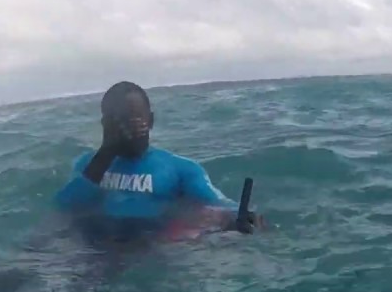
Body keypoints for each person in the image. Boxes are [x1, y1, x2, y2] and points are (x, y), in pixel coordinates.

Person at [53, 81, 264, 243]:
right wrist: (107, 151)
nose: (128, 128)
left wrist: (243, 217)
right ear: (105, 124)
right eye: (119, 120)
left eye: (135, 119)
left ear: (151, 121)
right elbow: (64, 207)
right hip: (89, 244)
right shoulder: (88, 165)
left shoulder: (179, 169)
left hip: (148, 247)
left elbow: (218, 203)